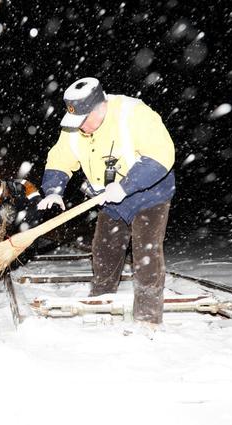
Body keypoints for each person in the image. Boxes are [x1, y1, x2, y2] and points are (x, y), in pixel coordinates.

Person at [37, 77, 176, 325]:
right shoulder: (74, 128)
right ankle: (100, 303)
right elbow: (60, 158)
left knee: (146, 254)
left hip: (149, 194)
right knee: (104, 251)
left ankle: (147, 320)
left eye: (83, 121)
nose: (79, 128)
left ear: (99, 107)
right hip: (109, 198)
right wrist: (54, 189)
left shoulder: (134, 114)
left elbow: (161, 155)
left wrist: (126, 186)